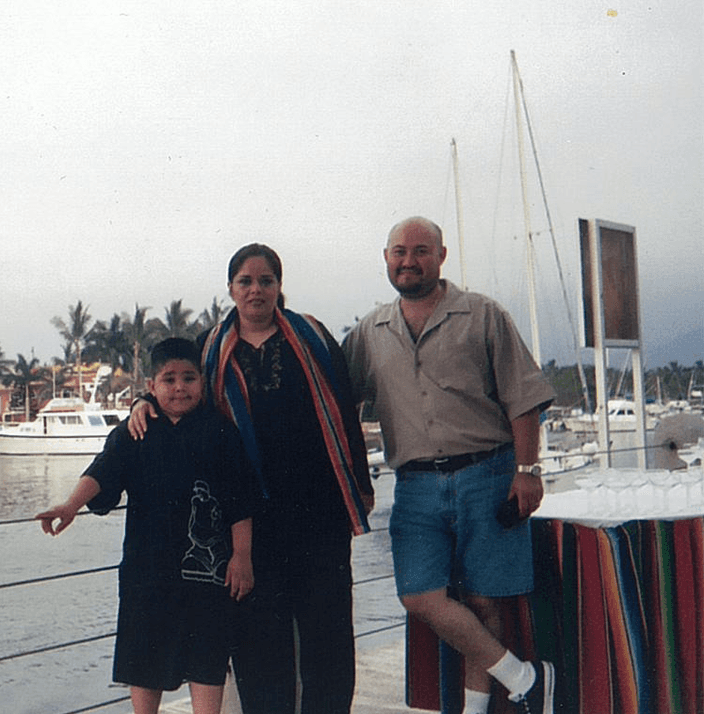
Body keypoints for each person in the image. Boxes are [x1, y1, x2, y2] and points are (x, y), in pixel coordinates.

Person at [128, 243, 375, 714]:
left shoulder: (314, 337)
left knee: (329, 639)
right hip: (247, 522)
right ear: (231, 289)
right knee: (259, 643)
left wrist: (360, 483)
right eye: (246, 281)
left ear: (279, 287)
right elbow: (175, 393)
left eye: (266, 280)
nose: (256, 290)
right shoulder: (209, 348)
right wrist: (141, 405)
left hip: (320, 515)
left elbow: (345, 412)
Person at [342, 216, 557, 714]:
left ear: (441, 256)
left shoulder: (483, 315)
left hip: (489, 474)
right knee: (419, 596)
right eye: (399, 251)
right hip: (415, 487)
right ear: (386, 259)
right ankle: (525, 678)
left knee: (484, 601)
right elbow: (336, 402)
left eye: (420, 251)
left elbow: (523, 398)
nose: (409, 261)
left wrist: (528, 471)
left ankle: (478, 707)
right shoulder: (370, 332)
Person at [36, 337, 259, 714]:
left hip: (206, 576)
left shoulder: (220, 432)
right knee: (143, 667)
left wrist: (242, 555)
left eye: (188, 378)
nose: (178, 387)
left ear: (202, 384)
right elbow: (103, 472)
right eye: (168, 379)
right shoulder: (133, 431)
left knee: (206, 665)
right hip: (147, 576)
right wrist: (71, 505)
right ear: (151, 386)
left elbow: (241, 500)